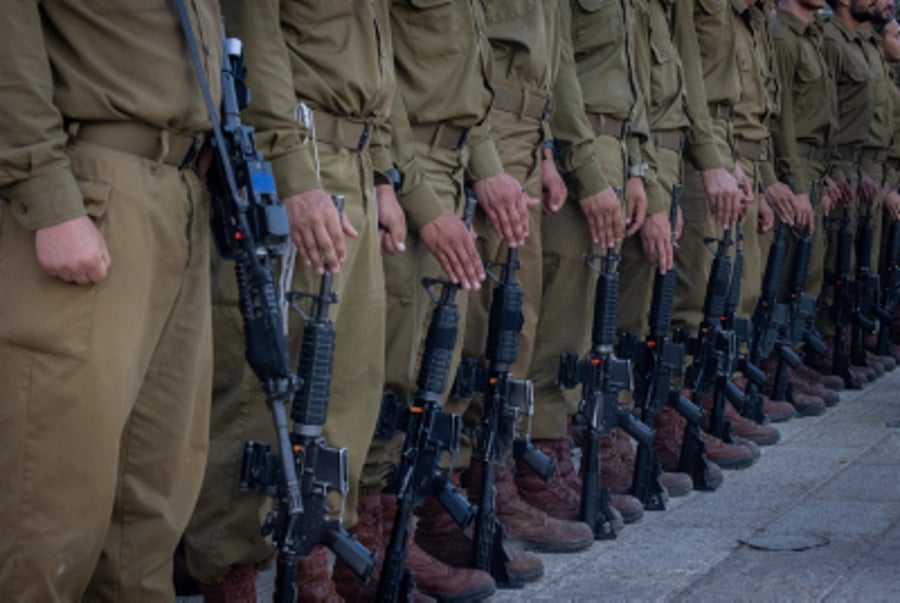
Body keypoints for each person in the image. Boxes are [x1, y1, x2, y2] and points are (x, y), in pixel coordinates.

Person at [0, 2, 220, 600]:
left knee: (153, 489)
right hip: (90, 186)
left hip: (181, 188)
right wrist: (45, 193)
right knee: (48, 495)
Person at [183, 2, 395, 599]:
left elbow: (380, 63)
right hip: (297, 154)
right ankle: (233, 576)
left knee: (345, 382)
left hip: (352, 157)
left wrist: (384, 174)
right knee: (261, 384)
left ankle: (311, 565)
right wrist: (292, 171)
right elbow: (256, 36)